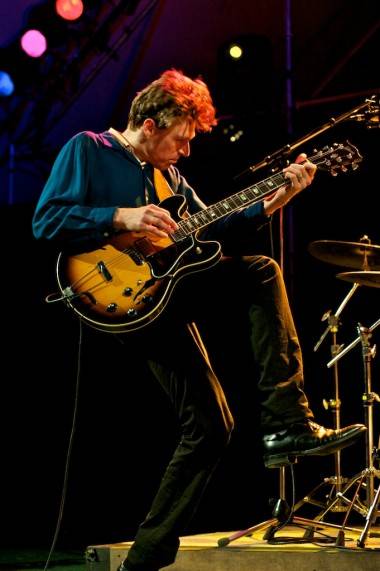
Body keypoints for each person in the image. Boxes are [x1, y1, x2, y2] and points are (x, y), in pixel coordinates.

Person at [32, 69, 365, 571]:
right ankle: (287, 421)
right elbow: (46, 220)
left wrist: (276, 199)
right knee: (260, 272)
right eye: (181, 139)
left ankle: (143, 559)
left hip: (163, 298)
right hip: (110, 292)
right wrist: (121, 217)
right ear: (148, 124)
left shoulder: (172, 179)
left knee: (212, 426)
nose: (187, 151)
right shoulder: (89, 148)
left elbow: (215, 226)